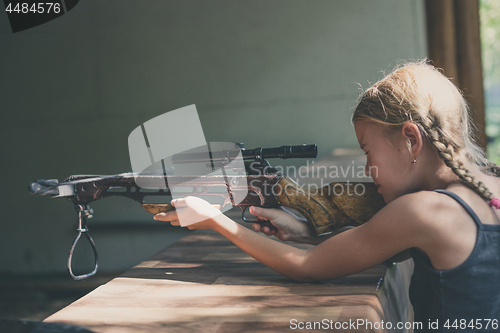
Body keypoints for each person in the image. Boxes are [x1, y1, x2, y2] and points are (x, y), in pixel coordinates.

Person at [154, 62, 500, 332]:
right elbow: (372, 242)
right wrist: (307, 231)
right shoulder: (486, 189)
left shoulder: (425, 212)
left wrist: (217, 221)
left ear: (410, 139)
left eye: (368, 151)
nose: (367, 168)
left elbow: (307, 268)